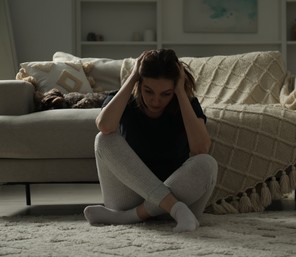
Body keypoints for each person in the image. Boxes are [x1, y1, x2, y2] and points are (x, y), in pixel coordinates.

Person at [83, 49, 218, 233]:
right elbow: (105, 126)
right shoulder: (126, 100)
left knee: (207, 163)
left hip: (177, 193)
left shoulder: (186, 103)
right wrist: (132, 77)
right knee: (104, 140)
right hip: (132, 198)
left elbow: (200, 148)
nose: (156, 101)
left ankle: (129, 217)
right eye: (149, 91)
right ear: (140, 83)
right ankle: (174, 209)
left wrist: (180, 91)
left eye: (166, 94)